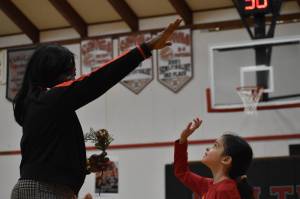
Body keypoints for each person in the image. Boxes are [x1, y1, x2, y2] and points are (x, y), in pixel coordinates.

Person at [11, 19, 182, 199]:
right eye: (70, 74)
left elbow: (47, 155)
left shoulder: (44, 105)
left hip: (48, 189)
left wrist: (83, 166)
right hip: (42, 190)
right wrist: (145, 49)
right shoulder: (50, 100)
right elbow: (97, 80)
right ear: (52, 73)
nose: (73, 79)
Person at [174, 118, 254, 199]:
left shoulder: (225, 190)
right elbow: (182, 172)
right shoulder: (209, 185)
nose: (208, 148)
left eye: (216, 146)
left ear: (226, 159)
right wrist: (183, 139)